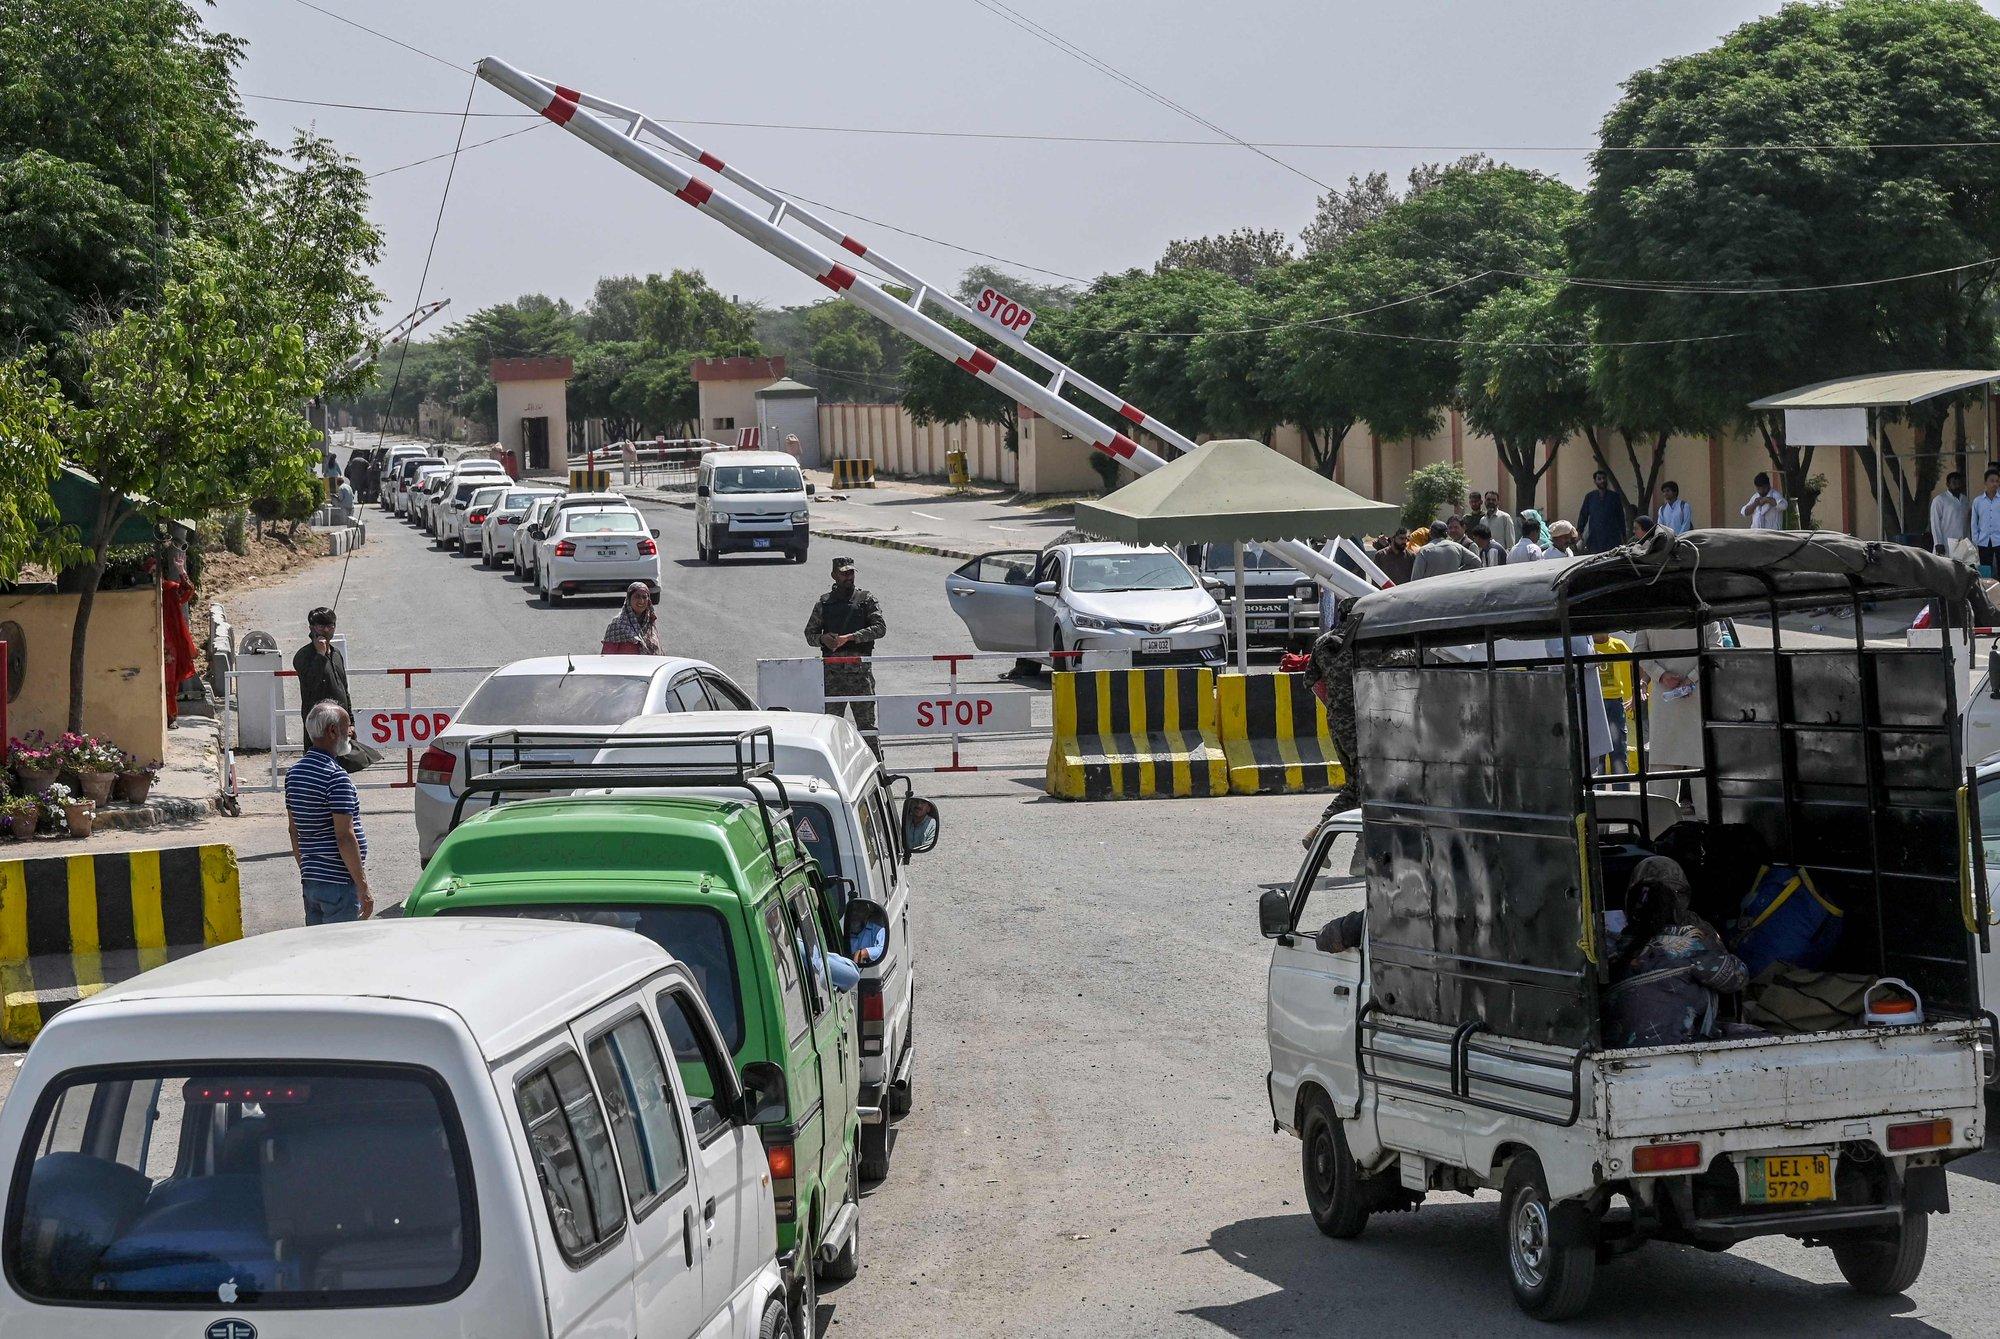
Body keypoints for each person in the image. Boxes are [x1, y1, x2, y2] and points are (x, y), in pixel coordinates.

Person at [1602, 856, 1746, 1049]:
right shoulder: (1686, 946)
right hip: (1676, 1049)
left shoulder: (1611, 947)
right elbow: (1737, 976)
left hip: (1619, 1049)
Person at [285, 699, 374, 925]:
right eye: (347, 726)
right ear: (333, 731)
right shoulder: (336, 777)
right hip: (339, 884)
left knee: (318, 949)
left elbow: (294, 831)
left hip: (312, 881)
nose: (351, 732)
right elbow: (344, 836)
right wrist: (363, 887)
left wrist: (308, 871)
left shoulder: (294, 774)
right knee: (341, 951)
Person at [1631, 622, 1717, 818]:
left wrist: (1660, 676)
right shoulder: (1705, 609)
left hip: (1664, 701)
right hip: (1700, 700)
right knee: (1703, 769)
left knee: (1662, 773)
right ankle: (1710, 831)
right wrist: (1693, 678)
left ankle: (1659, 833)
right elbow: (1714, 650)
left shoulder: (1651, 612)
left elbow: (1639, 652)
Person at [805, 556, 887, 758]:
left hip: (860, 675)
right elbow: (810, 635)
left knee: (867, 728)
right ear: (834, 575)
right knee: (831, 728)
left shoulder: (866, 599)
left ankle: (877, 771)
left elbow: (880, 628)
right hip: (833, 676)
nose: (848, 577)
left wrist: (850, 638)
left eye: (851, 573)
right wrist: (824, 638)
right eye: (844, 573)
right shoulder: (824, 604)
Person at [292, 607, 367, 774]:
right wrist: (319, 655)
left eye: (330, 626)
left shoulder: (337, 654)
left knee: (343, 767)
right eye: (321, 626)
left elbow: (344, 690)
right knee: (318, 770)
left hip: (339, 724)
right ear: (311, 627)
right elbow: (311, 684)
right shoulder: (303, 656)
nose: (326, 630)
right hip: (318, 725)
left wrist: (351, 723)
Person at [160, 547, 197, 727]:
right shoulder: (140, 593)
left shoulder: (168, 589)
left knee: (169, 682)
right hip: (148, 642)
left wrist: (181, 571)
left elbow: (188, 590)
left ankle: (171, 717)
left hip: (168, 645)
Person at [1594, 633, 1633, 774]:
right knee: (1597, 754)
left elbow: (1637, 662)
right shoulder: (1587, 647)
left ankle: (1622, 793)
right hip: (1594, 702)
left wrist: (1637, 692)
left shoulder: (1618, 645)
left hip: (1615, 701)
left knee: (1619, 750)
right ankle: (1598, 794)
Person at [601, 582, 662, 655]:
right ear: (629, 599)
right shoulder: (616, 625)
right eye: (637, 596)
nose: (641, 601)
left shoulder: (650, 623)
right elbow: (607, 657)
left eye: (644, 597)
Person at [1409, 519, 1481, 580]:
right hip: (1452, 590)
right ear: (1446, 533)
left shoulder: (1424, 551)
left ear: (1430, 533)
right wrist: (1458, 571)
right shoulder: (1457, 547)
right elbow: (1477, 562)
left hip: (1431, 592)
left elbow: (1415, 578)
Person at [1576, 470, 1625, 554]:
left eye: (1604, 478)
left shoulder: (1614, 497)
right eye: (1599, 479)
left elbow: (1620, 517)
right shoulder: (1590, 497)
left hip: (1612, 537)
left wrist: (1623, 535)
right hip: (1595, 536)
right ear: (1595, 481)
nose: (1602, 480)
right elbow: (1583, 515)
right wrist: (1579, 532)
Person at [1932, 470, 1971, 557]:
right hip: (1946, 543)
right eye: (1954, 482)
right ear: (1948, 484)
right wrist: (1938, 543)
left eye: (1959, 483)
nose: (1957, 485)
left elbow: (1967, 522)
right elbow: (1935, 523)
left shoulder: (1965, 500)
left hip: (1962, 543)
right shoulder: (1940, 500)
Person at [1974, 468, 2000, 575]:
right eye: (1992, 480)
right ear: (1985, 482)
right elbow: (1974, 522)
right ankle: (1986, 590)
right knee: (1985, 569)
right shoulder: (1978, 501)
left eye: (1997, 481)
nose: (1995, 484)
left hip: (1999, 539)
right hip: (1983, 540)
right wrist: (1976, 540)